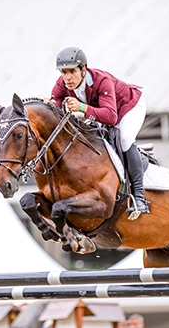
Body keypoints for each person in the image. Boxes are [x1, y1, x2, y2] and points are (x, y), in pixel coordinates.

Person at [47, 46, 150, 218]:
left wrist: (82, 107)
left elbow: (111, 117)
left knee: (124, 138)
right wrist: (50, 104)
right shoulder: (62, 84)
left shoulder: (102, 81)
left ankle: (139, 198)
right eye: (63, 72)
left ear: (83, 69)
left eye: (72, 71)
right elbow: (56, 104)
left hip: (129, 107)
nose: (67, 77)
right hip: (105, 111)